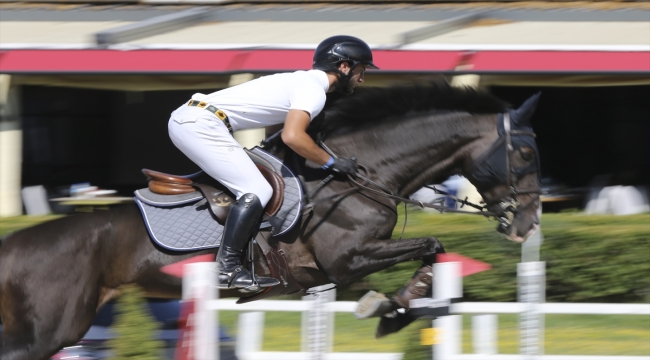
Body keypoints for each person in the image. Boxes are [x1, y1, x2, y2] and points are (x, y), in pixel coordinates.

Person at [168, 35, 378, 290]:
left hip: (197, 119)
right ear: (344, 66)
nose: (362, 78)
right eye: (361, 69)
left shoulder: (303, 82)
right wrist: (332, 162)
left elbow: (281, 134)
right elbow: (292, 136)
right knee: (258, 189)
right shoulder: (313, 91)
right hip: (201, 123)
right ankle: (226, 269)